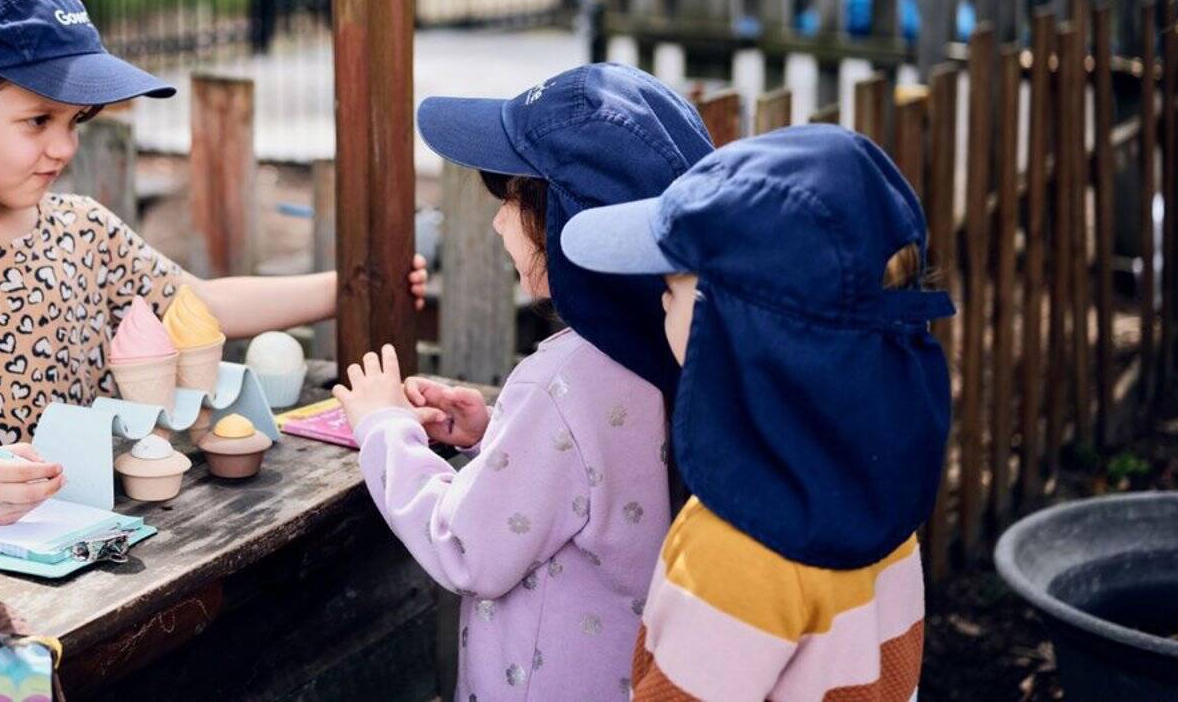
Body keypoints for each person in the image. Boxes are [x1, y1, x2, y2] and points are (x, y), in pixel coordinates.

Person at [0, 0, 427, 522]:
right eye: (39, 120)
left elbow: (200, 305)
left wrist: (352, 286)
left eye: (75, 121)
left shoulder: (83, 229)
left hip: (94, 535)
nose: (64, 147)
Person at [334, 64, 716, 700]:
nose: (497, 222)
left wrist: (384, 429)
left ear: (566, 223)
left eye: (512, 199)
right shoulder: (679, 344)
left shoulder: (561, 383)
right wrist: (496, 436)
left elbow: (466, 546)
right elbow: (604, 481)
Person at [560, 123, 954, 701]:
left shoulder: (731, 553)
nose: (660, 296)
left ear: (736, 329)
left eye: (674, 283)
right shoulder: (876, 491)